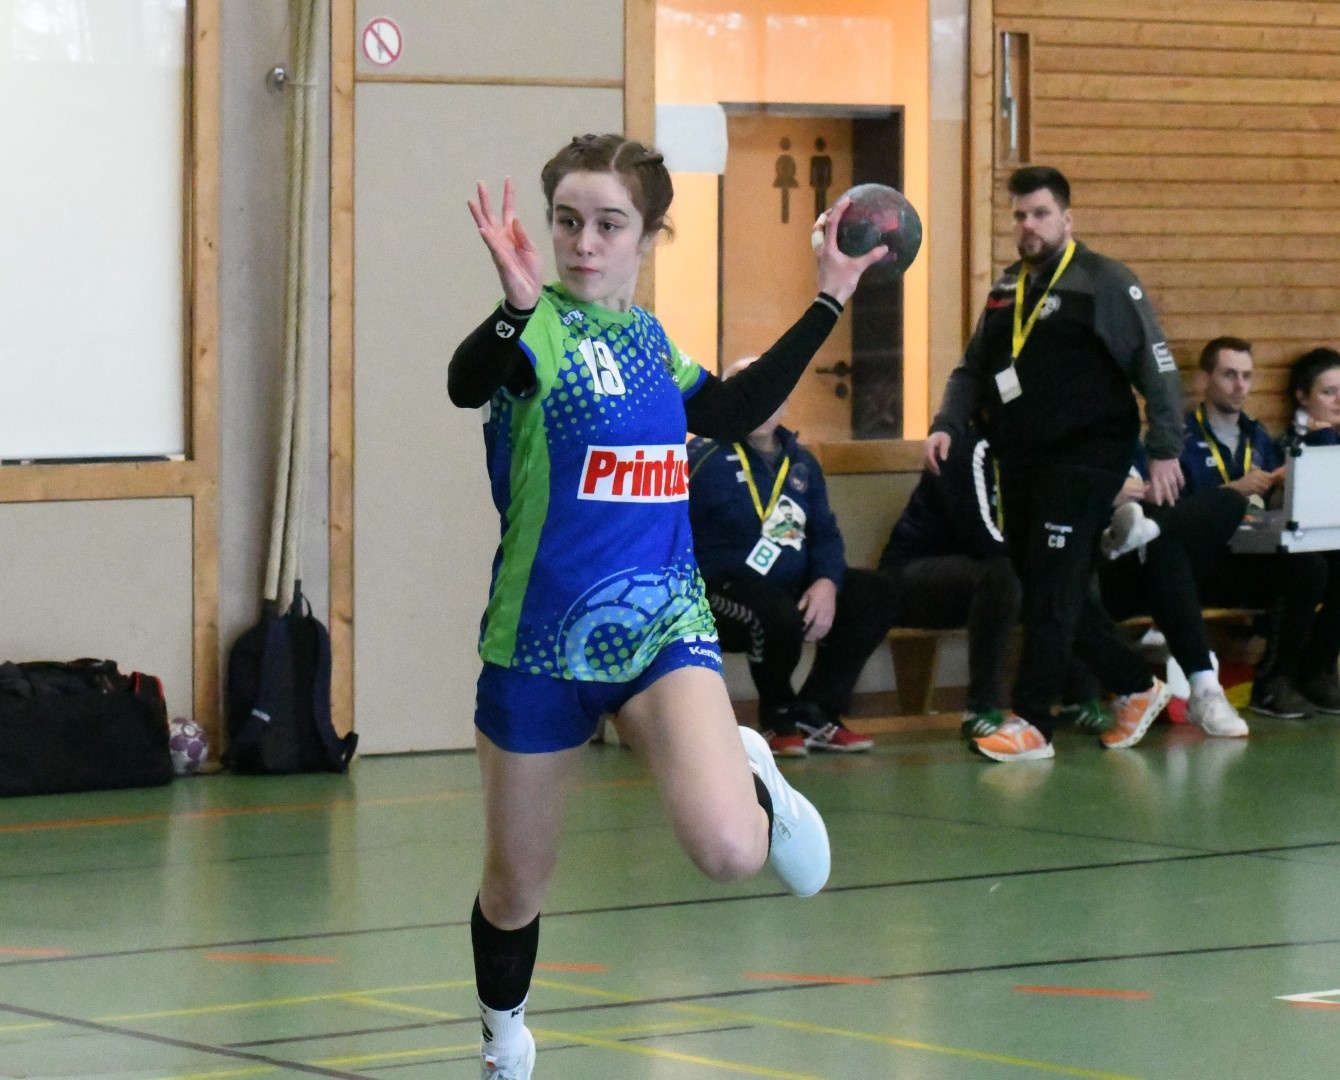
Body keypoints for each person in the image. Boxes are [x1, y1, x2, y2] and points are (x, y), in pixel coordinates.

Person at [447, 133, 886, 1079]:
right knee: (514, 886)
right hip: (540, 647)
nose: (584, 243)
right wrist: (513, 309)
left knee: (731, 852)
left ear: (649, 235)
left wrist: (829, 298)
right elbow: (464, 382)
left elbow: (728, 409)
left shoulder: (652, 342)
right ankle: (504, 1034)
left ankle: (752, 779)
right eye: (568, 221)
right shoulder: (534, 332)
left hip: (663, 630)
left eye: (609, 224)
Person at [925, 164, 1184, 762]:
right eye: (1019, 215)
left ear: (1067, 218)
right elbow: (972, 369)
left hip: (1087, 455)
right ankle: (1137, 685)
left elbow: (1155, 363)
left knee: (1054, 588)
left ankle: (1034, 721)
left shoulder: (1104, 281)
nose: (1028, 225)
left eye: (1040, 214)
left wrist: (1166, 448)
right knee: (1048, 586)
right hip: (1024, 461)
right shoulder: (1005, 290)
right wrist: (946, 423)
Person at [687, 357, 874, 755]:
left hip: (791, 586)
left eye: (769, 392)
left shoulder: (802, 463)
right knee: (776, 614)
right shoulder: (699, 457)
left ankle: (817, 710)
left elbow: (825, 535)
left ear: (785, 401)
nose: (759, 403)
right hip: (722, 589)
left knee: (873, 594)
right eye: (746, 392)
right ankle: (778, 715)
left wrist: (826, 582)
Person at [791, 425, 1021, 741]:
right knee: (1000, 574)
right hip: (912, 574)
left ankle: (1077, 699)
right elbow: (981, 538)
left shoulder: (1032, 455)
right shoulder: (964, 448)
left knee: (1051, 578)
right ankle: (983, 708)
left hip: (977, 581)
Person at [1177, 339, 1337, 717]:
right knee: (1307, 569)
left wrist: (1285, 486)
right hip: (1208, 559)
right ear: (1204, 380)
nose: (1240, 386)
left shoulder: (1258, 436)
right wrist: (1234, 490)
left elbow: (1275, 509)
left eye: (1247, 376)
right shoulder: (1183, 439)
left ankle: (1314, 672)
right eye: (1229, 375)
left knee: (1327, 562)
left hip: (1255, 548)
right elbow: (1177, 515)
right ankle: (1271, 682)